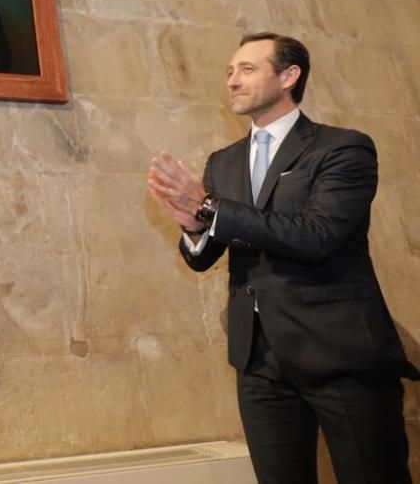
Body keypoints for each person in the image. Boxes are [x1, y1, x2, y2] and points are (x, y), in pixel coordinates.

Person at [148, 32, 418, 484]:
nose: (232, 81)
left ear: (289, 76)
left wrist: (211, 208)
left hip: (340, 357)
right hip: (259, 361)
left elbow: (318, 236)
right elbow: (204, 256)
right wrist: (194, 226)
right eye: (230, 71)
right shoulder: (224, 162)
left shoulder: (342, 148)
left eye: (248, 69)